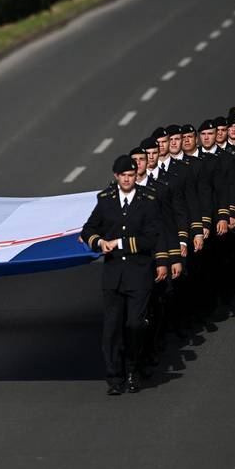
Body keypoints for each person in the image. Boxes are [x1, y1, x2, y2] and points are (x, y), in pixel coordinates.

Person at [80, 156, 162, 395]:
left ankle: (132, 369)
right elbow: (89, 229)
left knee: (135, 325)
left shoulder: (148, 200)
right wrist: (98, 242)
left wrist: (119, 244)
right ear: (116, 176)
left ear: (136, 175)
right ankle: (114, 377)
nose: (127, 179)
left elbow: (151, 237)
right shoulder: (106, 201)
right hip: (114, 276)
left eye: (131, 175)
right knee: (112, 329)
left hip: (138, 274)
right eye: (123, 175)